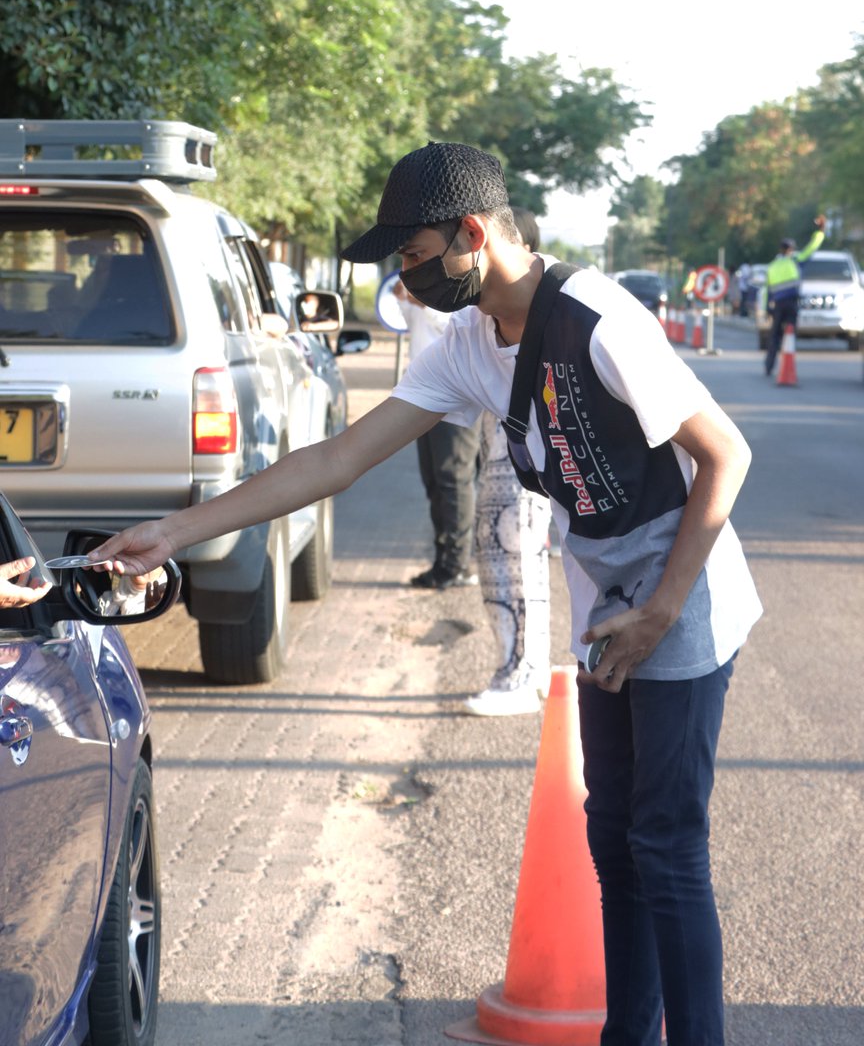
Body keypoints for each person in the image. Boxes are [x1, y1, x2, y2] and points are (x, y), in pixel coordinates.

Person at [90, 141, 762, 1046]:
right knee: (614, 841)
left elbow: (726, 454)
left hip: (685, 586)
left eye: (410, 256)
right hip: (610, 598)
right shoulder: (469, 346)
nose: (403, 281)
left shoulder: (599, 320)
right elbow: (335, 459)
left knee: (668, 844)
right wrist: (173, 532)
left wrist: (663, 611)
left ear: (472, 234)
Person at [466, 204, 552, 716]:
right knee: (510, 560)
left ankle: (519, 672)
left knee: (513, 561)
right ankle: (524, 665)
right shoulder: (494, 322)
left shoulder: (541, 317)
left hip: (519, 474)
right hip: (501, 466)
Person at [394, 278, 480, 590]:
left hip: (454, 400)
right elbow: (411, 324)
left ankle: (456, 565)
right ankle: (443, 559)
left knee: (453, 480)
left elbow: (459, 329)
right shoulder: (423, 286)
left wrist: (424, 303)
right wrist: (404, 302)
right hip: (422, 398)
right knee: (434, 481)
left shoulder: (460, 285)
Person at [762, 215, 826, 376]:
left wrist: (766, 309)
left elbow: (767, 291)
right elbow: (812, 248)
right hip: (791, 304)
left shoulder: (772, 266)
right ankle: (787, 365)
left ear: (780, 249)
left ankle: (769, 366)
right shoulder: (795, 260)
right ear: (791, 250)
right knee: (790, 334)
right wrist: (820, 231)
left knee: (774, 336)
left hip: (777, 305)